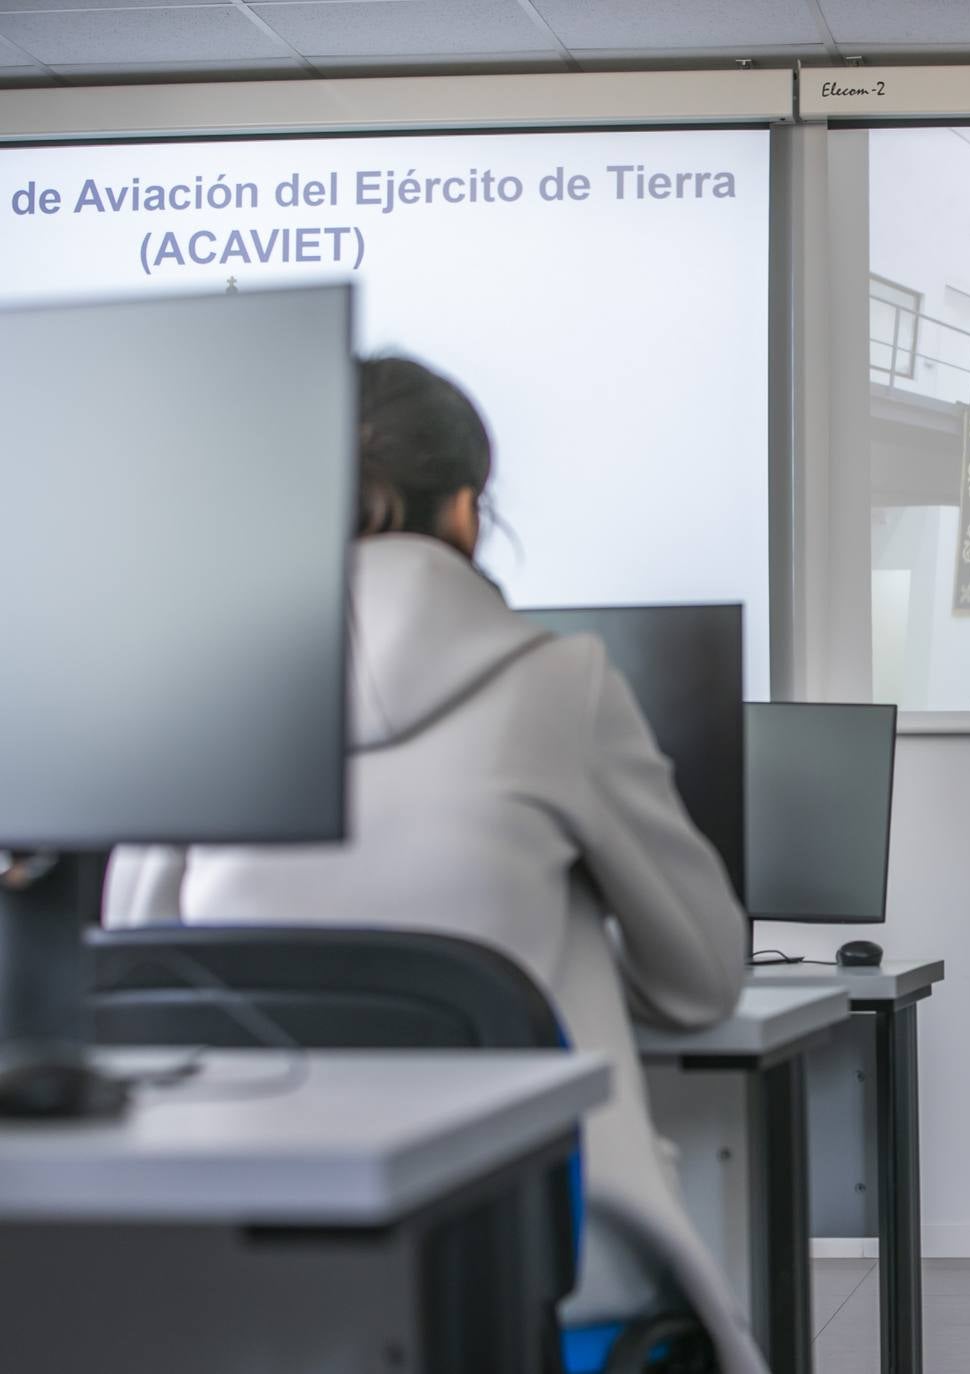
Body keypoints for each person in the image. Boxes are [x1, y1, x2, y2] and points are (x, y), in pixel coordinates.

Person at [103, 356, 768, 1374]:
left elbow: (137, 974)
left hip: (229, 1272)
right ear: (465, 509)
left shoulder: (194, 692)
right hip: (532, 1269)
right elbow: (701, 982)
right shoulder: (560, 683)